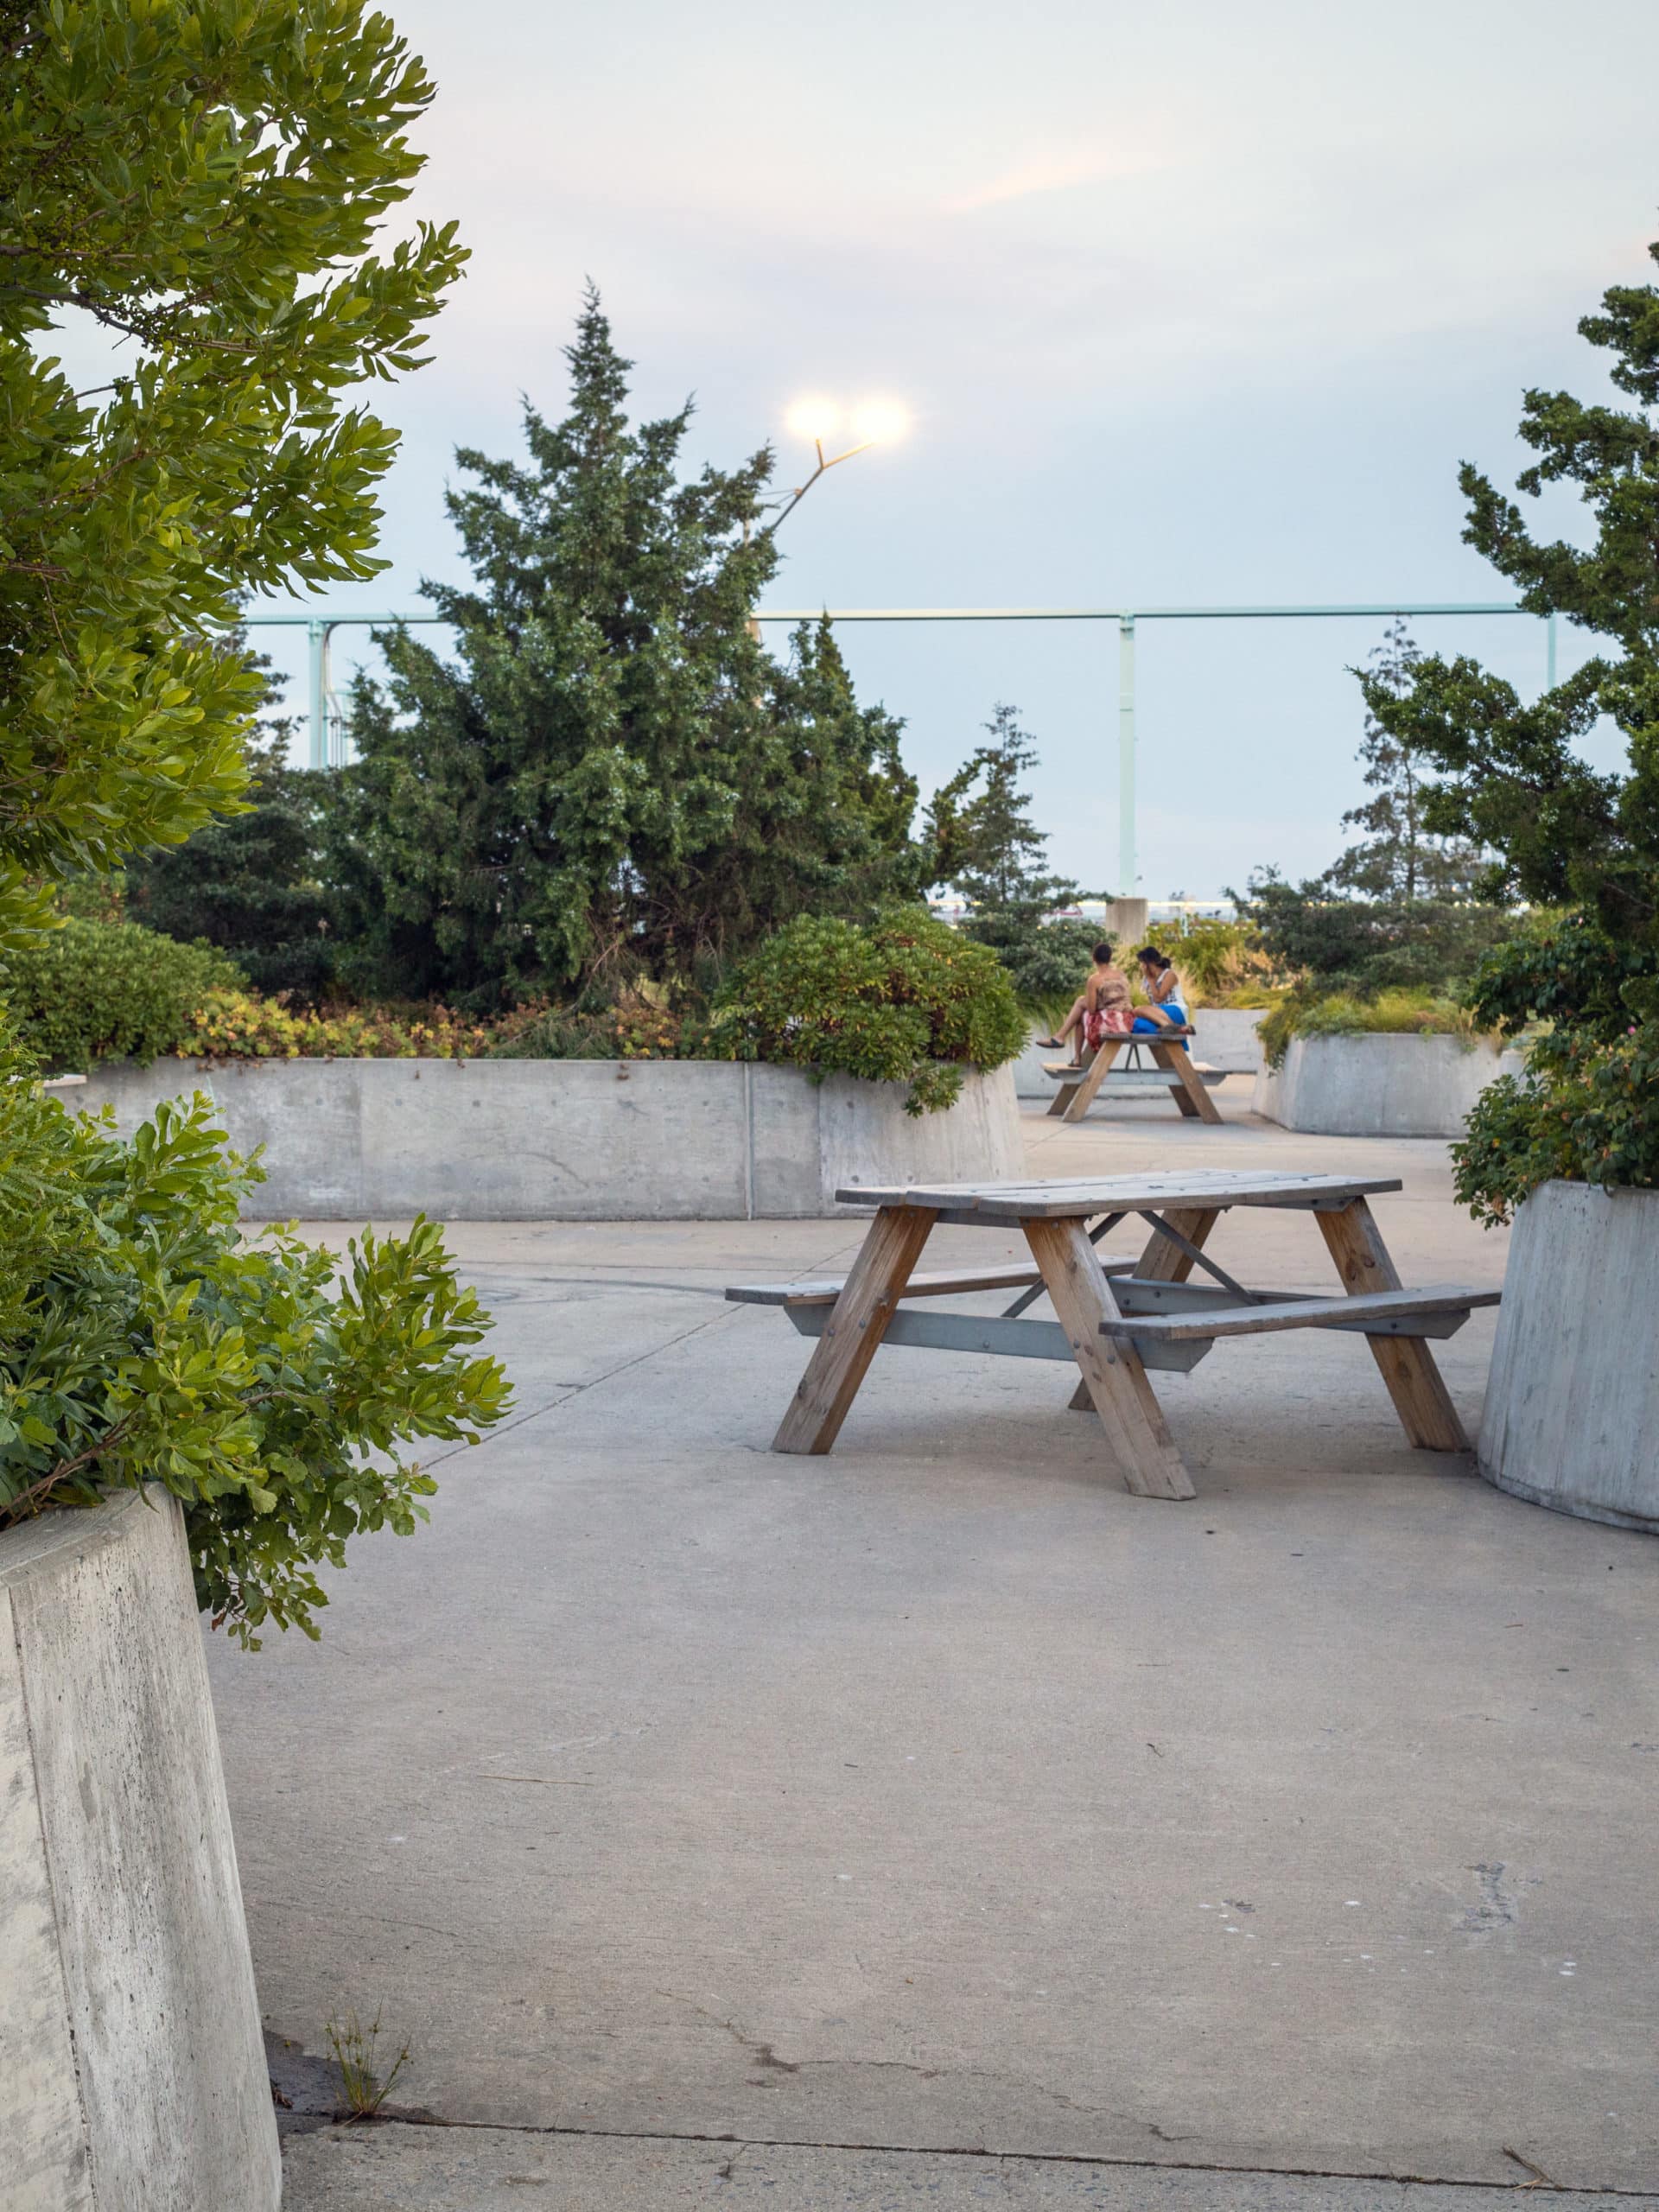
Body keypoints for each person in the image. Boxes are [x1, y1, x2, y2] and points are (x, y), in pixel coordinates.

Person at [1038, 940, 1133, 1065]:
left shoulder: (1094, 980)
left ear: (1093, 958)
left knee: (1081, 1007)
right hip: (1127, 1020)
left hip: (1112, 1023)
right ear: (1110, 958)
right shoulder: (1121, 974)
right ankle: (1062, 1041)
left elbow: (1092, 1010)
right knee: (1081, 1007)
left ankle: (1067, 1045)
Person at [1131, 945, 1189, 1033]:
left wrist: (1150, 979)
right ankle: (1174, 1029)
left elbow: (1158, 999)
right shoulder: (1146, 979)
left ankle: (1170, 1026)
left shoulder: (1169, 974)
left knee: (1138, 1010)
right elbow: (1152, 1002)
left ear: (1150, 963)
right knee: (1138, 1025)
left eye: (1142, 963)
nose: (1141, 966)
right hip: (1158, 1014)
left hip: (1175, 1009)